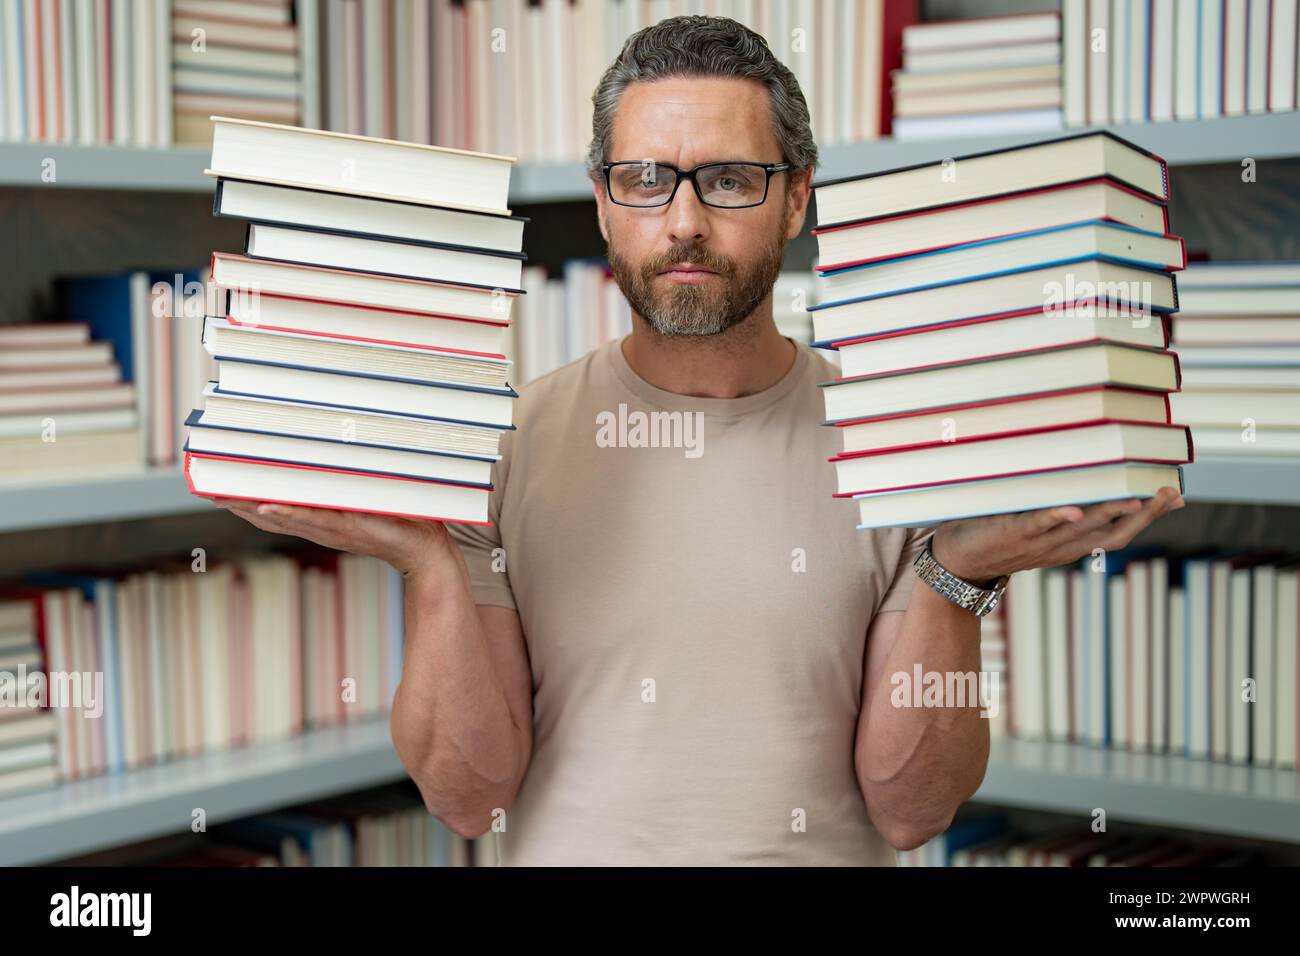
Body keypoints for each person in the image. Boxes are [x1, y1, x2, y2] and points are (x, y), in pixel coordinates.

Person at [215, 15, 1184, 865]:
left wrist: (957, 573)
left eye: (727, 179)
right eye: (645, 180)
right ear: (602, 199)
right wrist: (428, 561)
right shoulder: (502, 446)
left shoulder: (901, 444)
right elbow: (471, 797)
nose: (683, 222)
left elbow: (909, 808)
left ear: (797, 195)